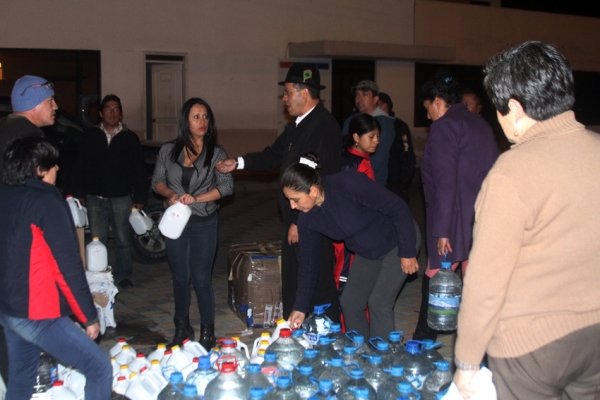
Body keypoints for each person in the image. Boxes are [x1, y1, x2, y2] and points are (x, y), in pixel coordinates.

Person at [454, 41, 600, 400]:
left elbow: (486, 281)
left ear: (516, 110)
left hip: (531, 350)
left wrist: (467, 364)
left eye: (498, 111)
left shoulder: (511, 173)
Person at [215, 63, 341, 322]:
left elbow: (317, 181)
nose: (284, 99)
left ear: (303, 92)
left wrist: (299, 221)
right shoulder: (299, 125)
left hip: (309, 219)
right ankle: (297, 333)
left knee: (316, 284)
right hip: (296, 219)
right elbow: (273, 154)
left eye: (287, 92)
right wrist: (237, 163)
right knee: (296, 281)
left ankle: (327, 339)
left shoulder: (323, 126)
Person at [0, 137, 112, 399]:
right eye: (53, 165)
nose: (58, 169)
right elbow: (67, 267)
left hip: (9, 310)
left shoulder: (5, 197)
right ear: (40, 169)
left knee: (22, 376)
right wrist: (88, 316)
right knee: (99, 367)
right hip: (37, 313)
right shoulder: (47, 203)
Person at [284, 153, 419, 339]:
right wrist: (300, 306)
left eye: (296, 199)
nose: (292, 206)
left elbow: (398, 208)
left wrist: (408, 252)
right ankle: (359, 352)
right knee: (351, 302)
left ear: (313, 191)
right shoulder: (307, 218)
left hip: (398, 240)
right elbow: (308, 264)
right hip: (367, 251)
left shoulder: (348, 185)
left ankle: (382, 358)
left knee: (379, 303)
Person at [413, 71, 498, 342]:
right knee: (474, 290)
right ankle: (479, 346)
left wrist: (442, 231)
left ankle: (423, 345)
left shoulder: (445, 127)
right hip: (481, 219)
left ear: (438, 102)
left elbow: (445, 182)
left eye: (427, 108)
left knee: (436, 281)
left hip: (453, 221)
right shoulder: (479, 124)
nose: (428, 117)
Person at [152, 97, 233, 349]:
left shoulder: (217, 153)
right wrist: (170, 195)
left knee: (201, 278)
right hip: (176, 222)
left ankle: (207, 332)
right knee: (179, 277)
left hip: (203, 222)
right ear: (185, 121)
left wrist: (196, 197)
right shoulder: (168, 150)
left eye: (206, 117)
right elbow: (157, 181)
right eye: (196, 116)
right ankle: (182, 327)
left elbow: (226, 188)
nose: (202, 122)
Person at [0, 75, 57, 387]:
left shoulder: (4, 127)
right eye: (51, 101)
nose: (56, 106)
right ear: (35, 104)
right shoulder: (30, 137)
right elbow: (34, 192)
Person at [73, 94, 147, 288]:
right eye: (108, 109)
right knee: (99, 239)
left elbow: (139, 169)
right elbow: (80, 166)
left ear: (120, 114)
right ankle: (100, 274)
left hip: (121, 197)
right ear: (100, 113)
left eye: (116, 109)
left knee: (123, 238)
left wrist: (139, 198)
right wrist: (79, 193)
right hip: (95, 197)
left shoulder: (129, 138)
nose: (112, 113)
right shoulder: (90, 136)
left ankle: (123, 275)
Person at [335, 114, 379, 315]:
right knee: (344, 278)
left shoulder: (363, 160)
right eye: (371, 136)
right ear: (356, 137)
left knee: (361, 277)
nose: (376, 141)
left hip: (362, 231)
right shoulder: (349, 164)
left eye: (378, 136)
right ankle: (343, 326)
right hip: (348, 233)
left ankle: (359, 322)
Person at [0, 75, 57, 183]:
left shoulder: (3, 124)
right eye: (50, 101)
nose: (55, 106)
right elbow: (33, 184)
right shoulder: (30, 134)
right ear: (32, 104)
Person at [342, 81, 395, 187]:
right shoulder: (351, 120)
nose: (359, 99)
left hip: (372, 182)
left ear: (375, 99)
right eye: (357, 95)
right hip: (350, 177)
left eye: (365, 95)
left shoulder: (384, 122)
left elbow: (378, 158)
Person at [377, 92, 416, 201]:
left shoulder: (399, 126)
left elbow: (407, 153)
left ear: (384, 106)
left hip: (395, 183)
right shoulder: (374, 124)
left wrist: (404, 184)